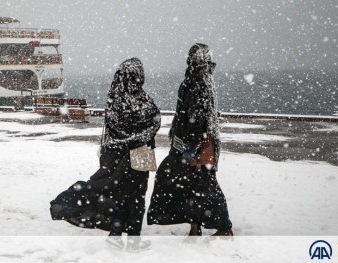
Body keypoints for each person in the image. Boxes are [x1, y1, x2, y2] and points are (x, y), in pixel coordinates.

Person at [50, 58, 161, 250]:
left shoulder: (115, 96)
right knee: (136, 197)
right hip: (140, 153)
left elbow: (118, 127)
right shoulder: (141, 98)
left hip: (117, 154)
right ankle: (132, 240)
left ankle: (116, 235)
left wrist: (129, 139)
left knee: (116, 195)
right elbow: (155, 119)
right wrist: (141, 136)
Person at [147, 43, 233, 236]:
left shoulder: (197, 80)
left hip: (195, 144)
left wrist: (189, 148)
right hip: (199, 142)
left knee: (200, 183)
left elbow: (196, 117)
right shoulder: (203, 79)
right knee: (196, 183)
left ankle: (222, 226)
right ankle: (197, 225)